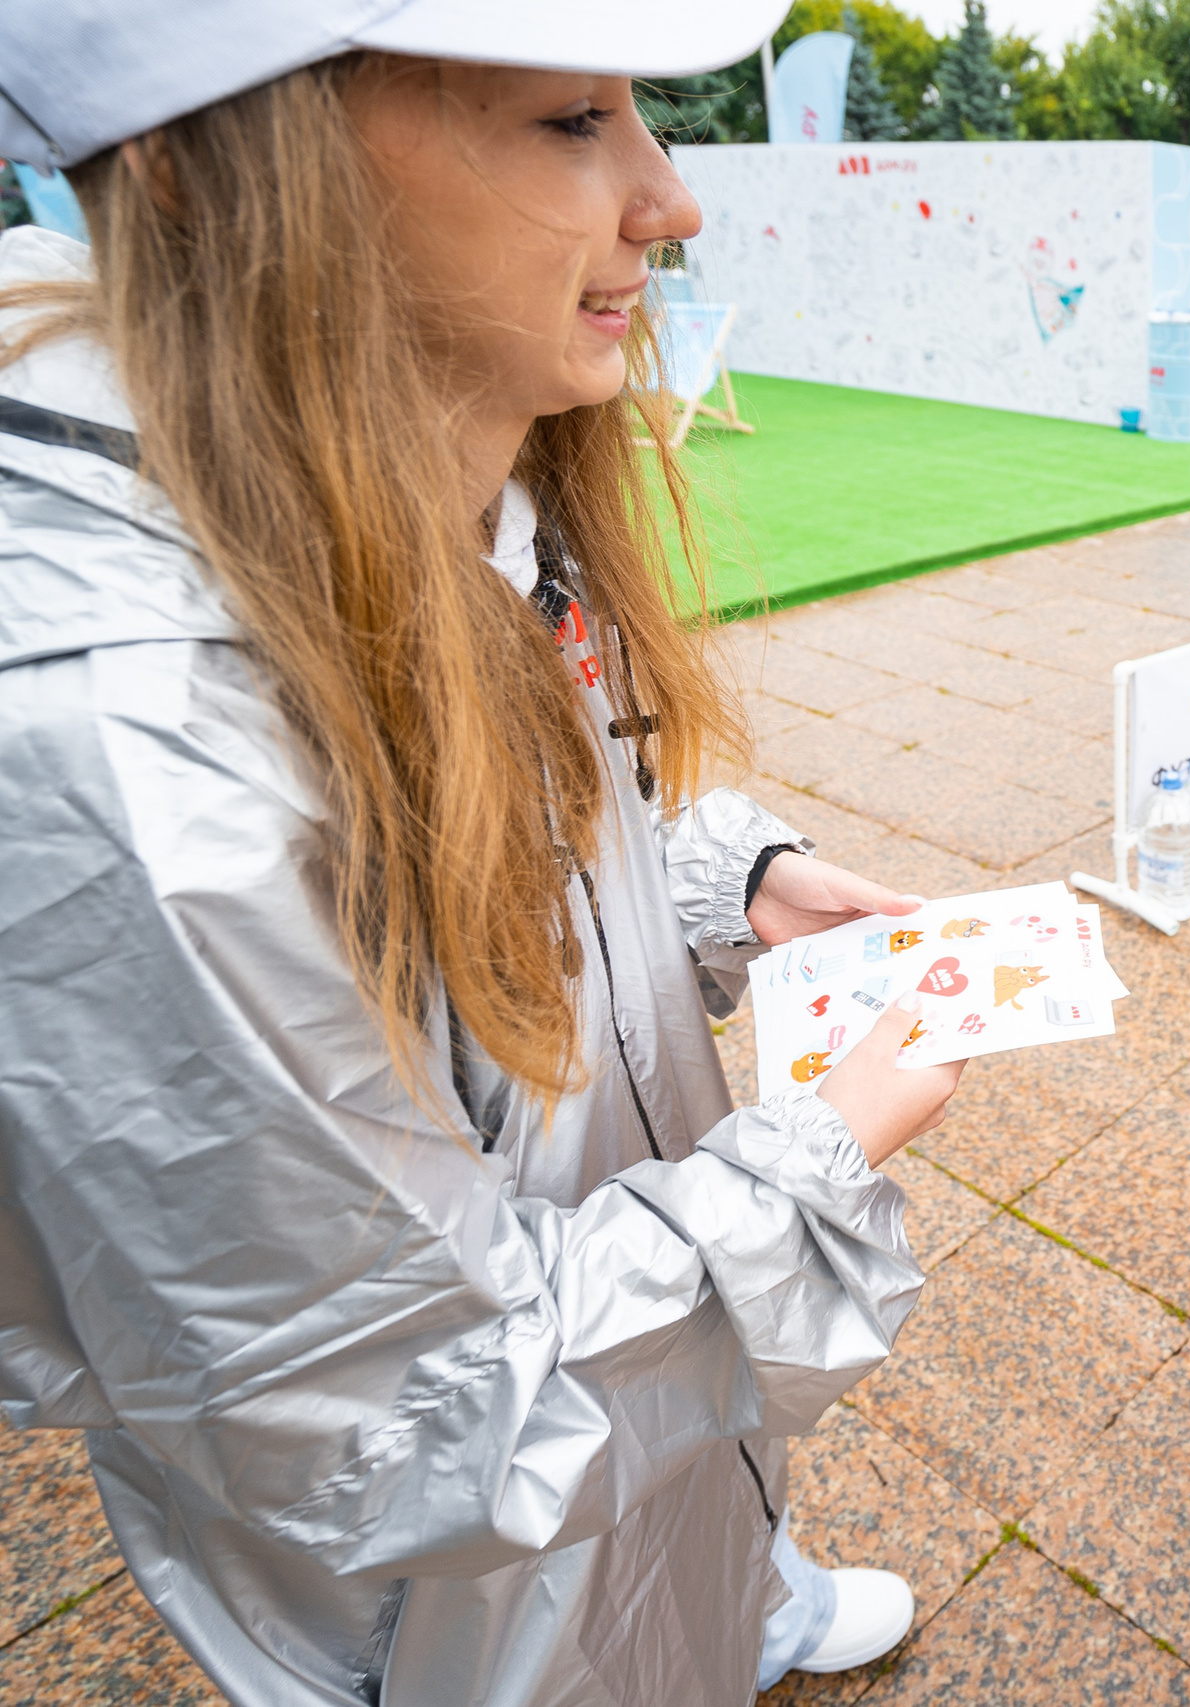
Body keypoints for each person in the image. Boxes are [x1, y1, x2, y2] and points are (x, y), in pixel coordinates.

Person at [0, 8, 966, 1704]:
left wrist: (714, 889)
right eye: (571, 120)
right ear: (223, 168)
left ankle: (739, 1608)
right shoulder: (136, 755)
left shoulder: (430, 478)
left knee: (678, 1566)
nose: (668, 201)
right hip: (466, 1627)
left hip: (624, 1480)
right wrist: (810, 1157)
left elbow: (472, 887)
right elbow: (399, 1419)